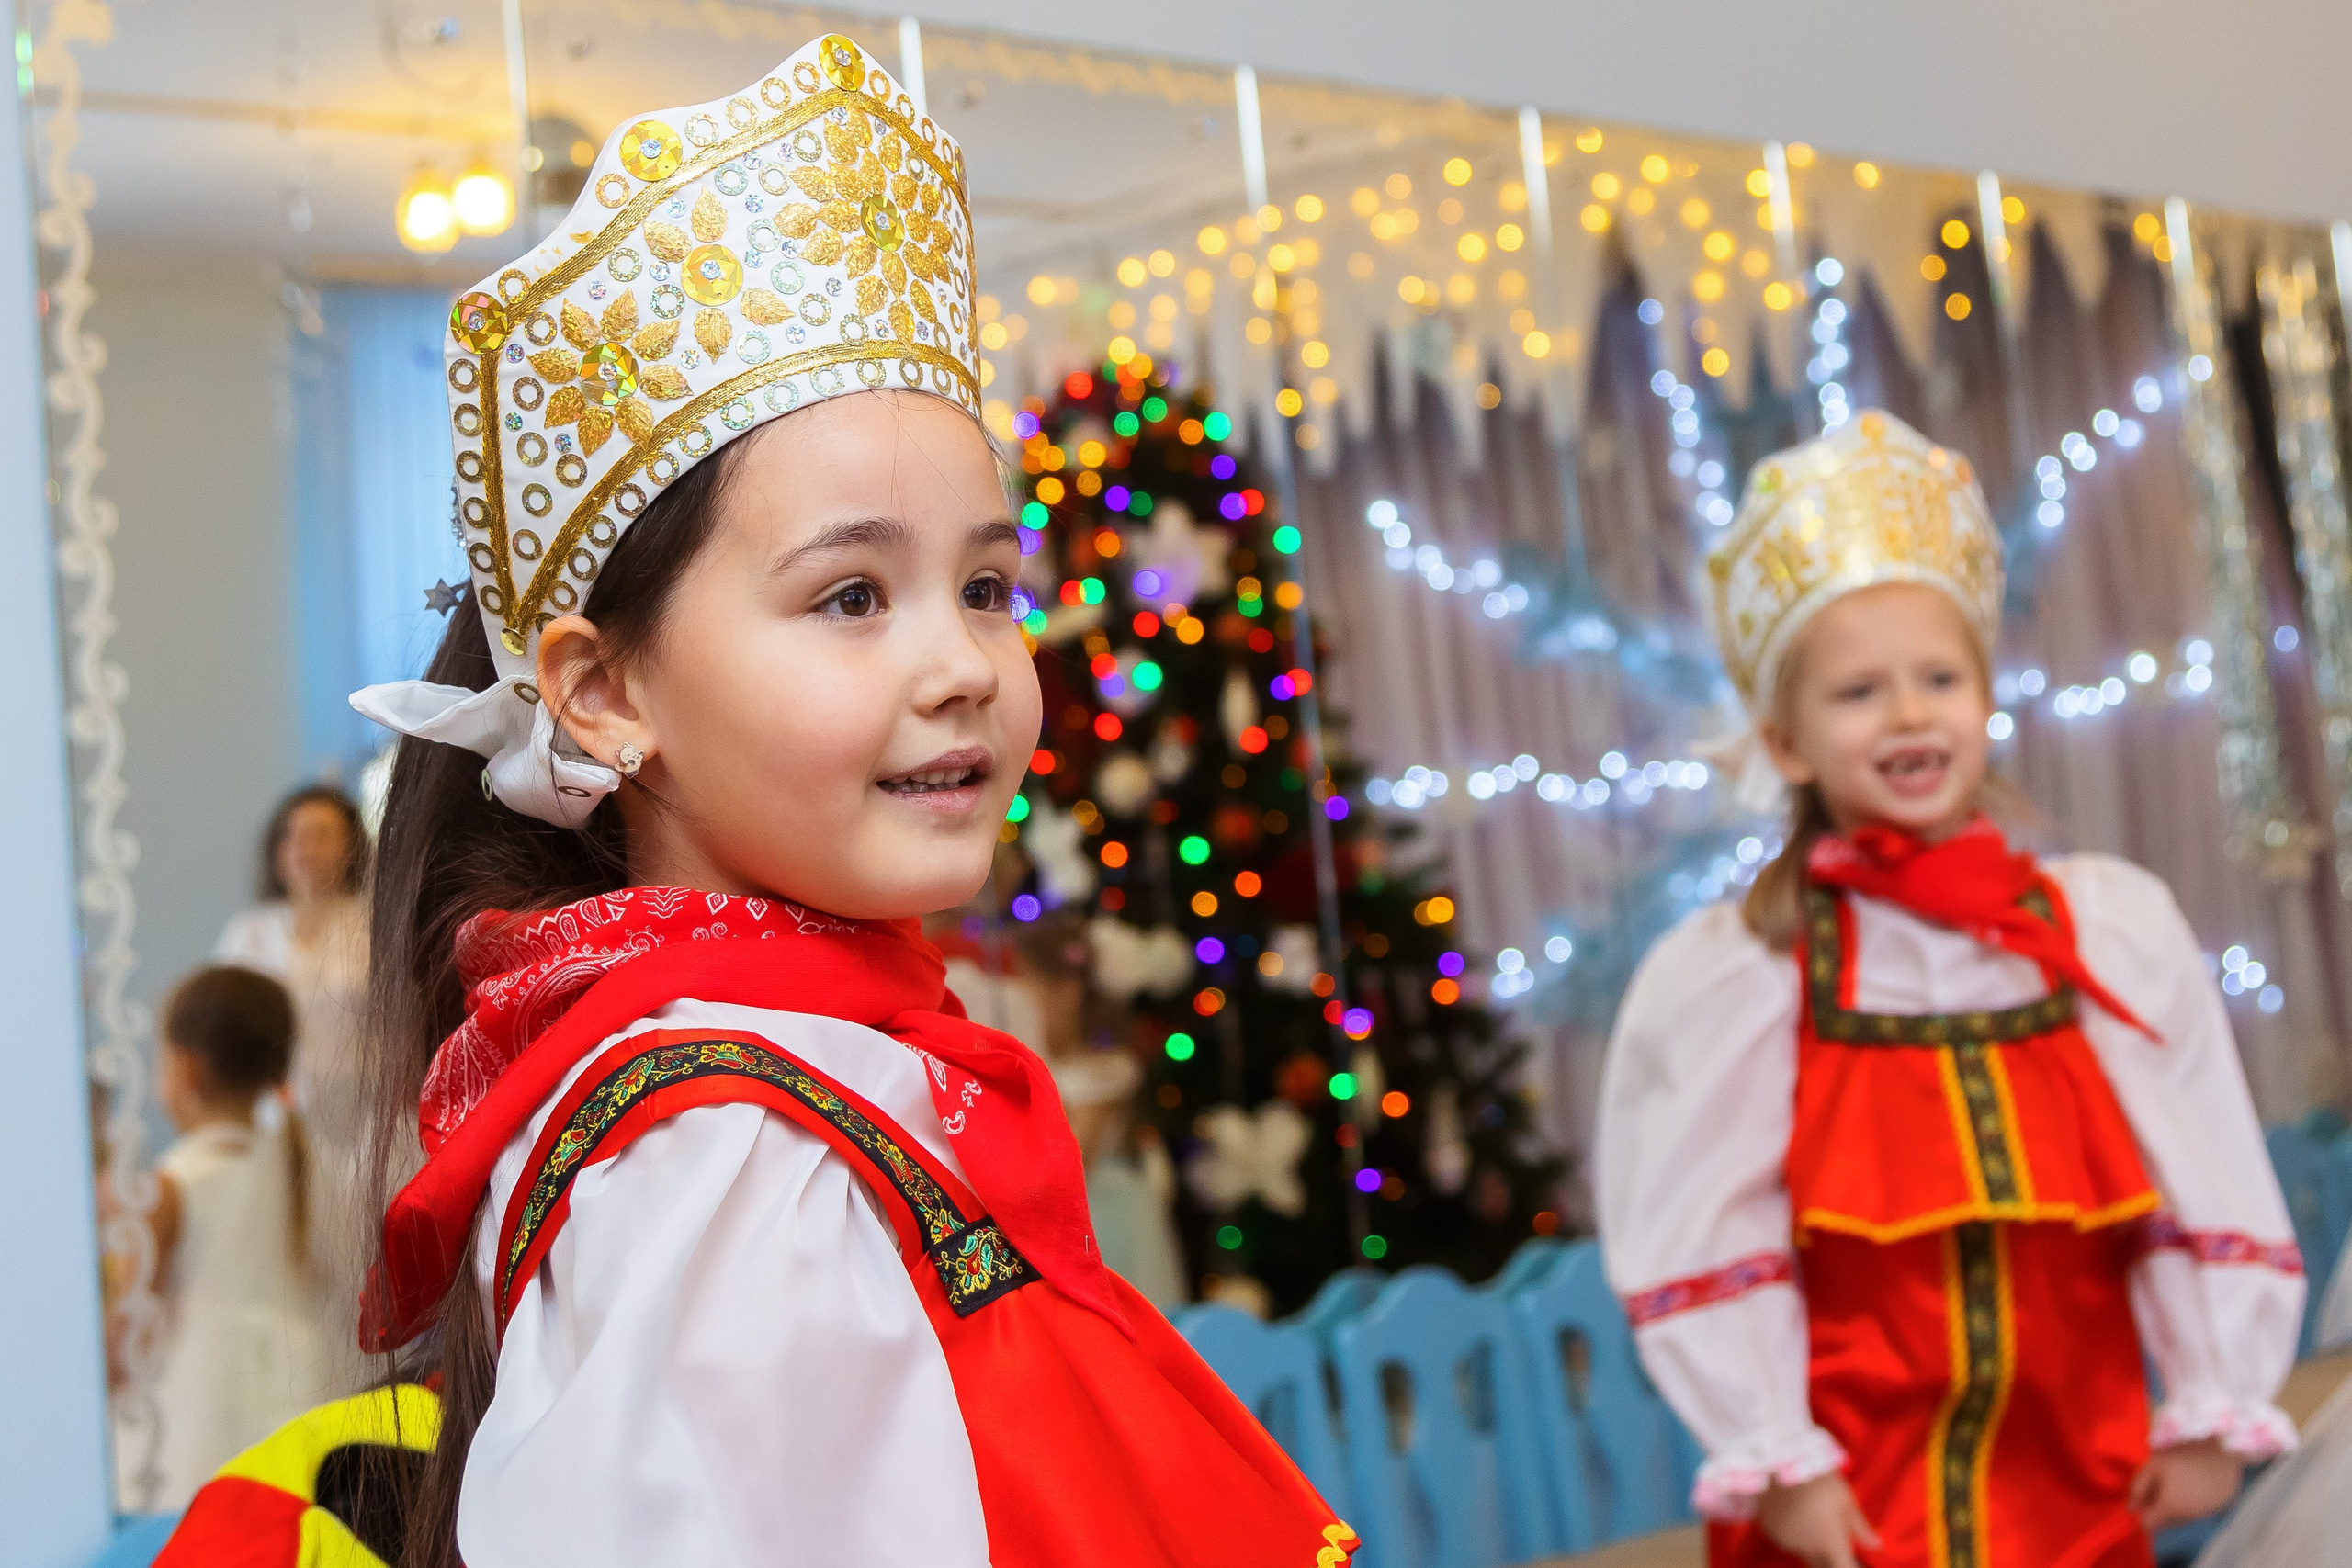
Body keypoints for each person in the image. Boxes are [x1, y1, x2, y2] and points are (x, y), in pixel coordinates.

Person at [336, 33, 1351, 1568]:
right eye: (855, 593)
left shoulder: (810, 1075)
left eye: (991, 585)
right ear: (603, 695)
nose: (964, 664)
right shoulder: (724, 1158)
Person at [1596, 412, 2305, 1568]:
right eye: (1859, 692)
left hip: (2078, 1469)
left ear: (1986, 700)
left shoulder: (2102, 931)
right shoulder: (1751, 972)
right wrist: (1781, 1458)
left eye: (1939, 678)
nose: (1910, 712)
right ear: (1784, 745)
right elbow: (1708, 1224)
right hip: (1855, 1493)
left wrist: (2209, 1405)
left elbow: (2197, 1163)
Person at [118, 966, 336, 1510]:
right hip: (302, 1394)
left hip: (199, 1414)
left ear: (185, 1070)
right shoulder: (308, 1168)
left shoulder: (168, 1188)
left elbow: (125, 1335)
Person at [214, 784, 372, 1374]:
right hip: (271, 1133)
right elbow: (222, 1031)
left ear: (350, 846)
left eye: (321, 835)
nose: (305, 849)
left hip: (362, 1130)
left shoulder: (375, 926)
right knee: (280, 1278)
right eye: (293, 836)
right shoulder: (248, 934)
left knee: (355, 1272)